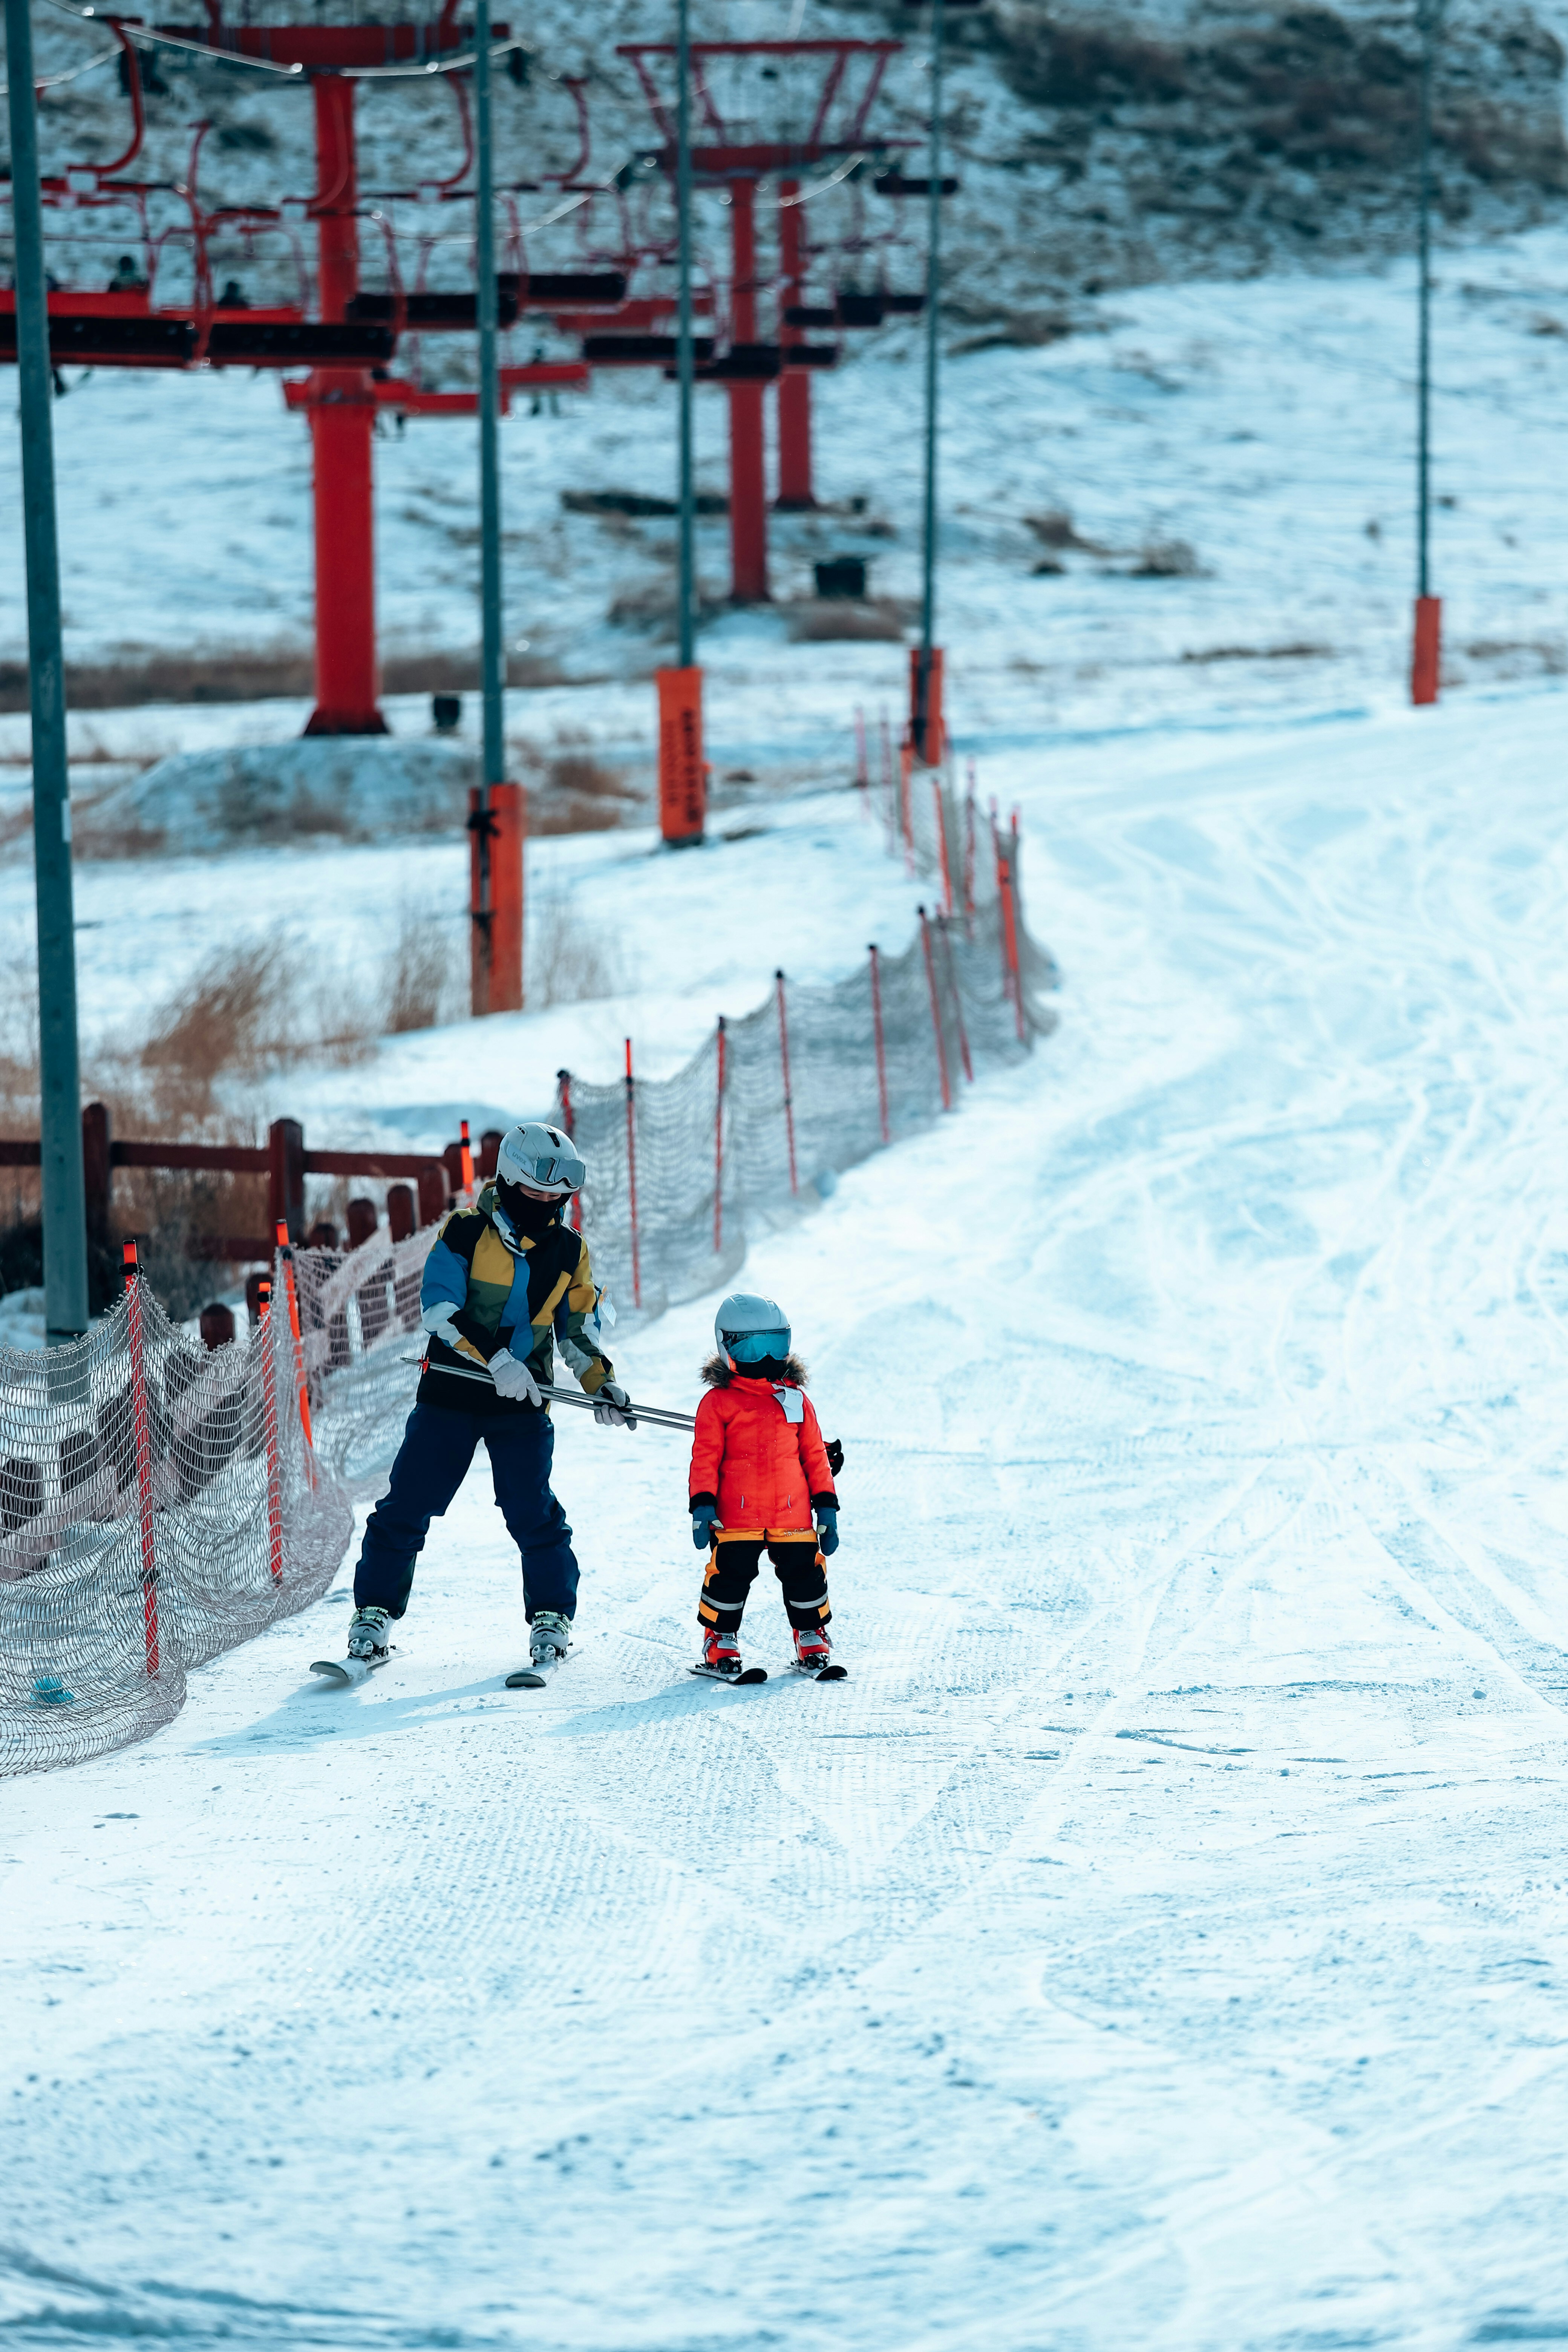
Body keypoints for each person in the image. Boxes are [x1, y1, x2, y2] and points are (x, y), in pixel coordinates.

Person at [343, 1121, 633, 1677]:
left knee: (532, 1511)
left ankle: (551, 1617)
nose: (548, 1205)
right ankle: (373, 1615)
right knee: (408, 1503)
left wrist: (603, 1385)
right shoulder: (465, 1231)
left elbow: (577, 1329)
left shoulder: (570, 1250)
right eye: (537, 1194)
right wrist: (495, 1359)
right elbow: (440, 1310)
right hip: (451, 1391)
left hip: (523, 1401)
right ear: (510, 1182)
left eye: (558, 1197)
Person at [688, 1292, 841, 1680]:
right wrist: (702, 1505)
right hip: (735, 1517)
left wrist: (826, 1507)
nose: (767, 1362)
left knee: (805, 1576)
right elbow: (704, 1458)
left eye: (775, 1348)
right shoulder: (717, 1403)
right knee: (729, 1577)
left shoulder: (796, 1400)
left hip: (792, 1515)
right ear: (728, 1348)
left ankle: (810, 1634)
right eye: (754, 1350)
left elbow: (814, 1456)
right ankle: (718, 1639)